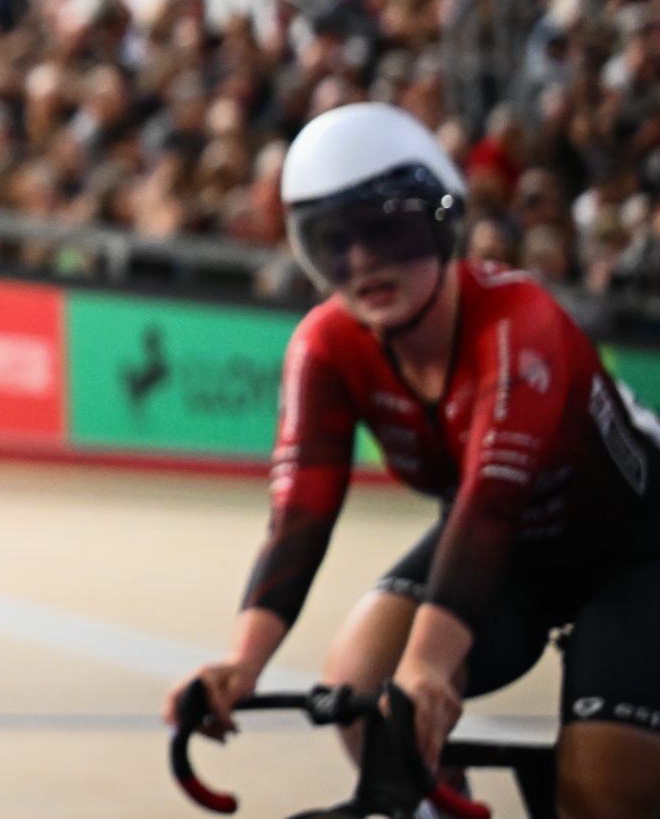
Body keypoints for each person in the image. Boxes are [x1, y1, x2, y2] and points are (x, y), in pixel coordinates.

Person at [169, 103, 660, 819]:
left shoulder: (518, 320)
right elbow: (299, 515)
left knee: (603, 793)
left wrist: (429, 664)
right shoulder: (325, 345)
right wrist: (243, 661)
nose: (363, 262)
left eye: (387, 231)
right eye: (332, 241)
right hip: (510, 552)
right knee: (361, 681)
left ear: (440, 224)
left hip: (635, 554)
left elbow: (491, 503)